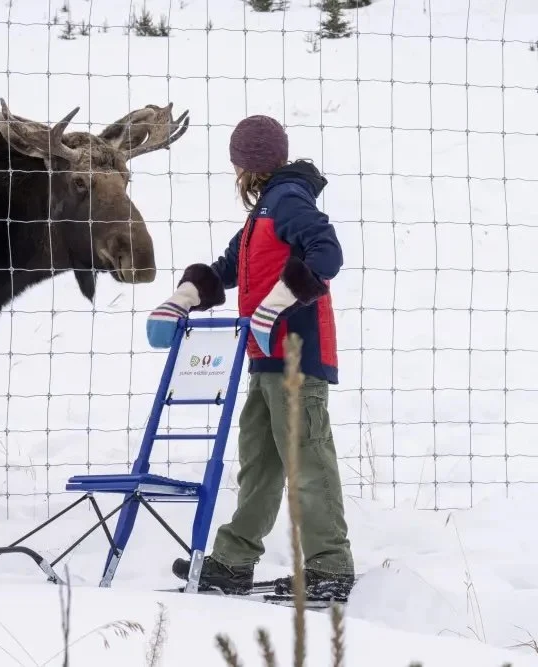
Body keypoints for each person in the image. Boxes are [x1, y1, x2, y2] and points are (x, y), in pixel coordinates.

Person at [144, 114, 355, 601]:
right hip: (265, 359)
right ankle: (234, 562)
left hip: (298, 358)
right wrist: (182, 297)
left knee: (307, 459)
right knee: (258, 463)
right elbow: (227, 268)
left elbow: (327, 252)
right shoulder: (265, 211)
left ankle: (330, 567)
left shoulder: (287, 201)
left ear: (243, 166)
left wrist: (280, 302)